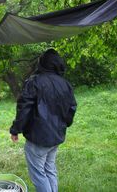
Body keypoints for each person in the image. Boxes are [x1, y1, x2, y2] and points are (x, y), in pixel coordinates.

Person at [9, 48, 77, 192]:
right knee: (50, 169)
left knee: (39, 174)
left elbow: (24, 108)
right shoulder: (64, 83)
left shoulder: (34, 82)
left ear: (42, 63)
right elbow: (72, 107)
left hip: (39, 138)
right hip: (56, 136)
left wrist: (15, 129)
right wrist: (64, 123)